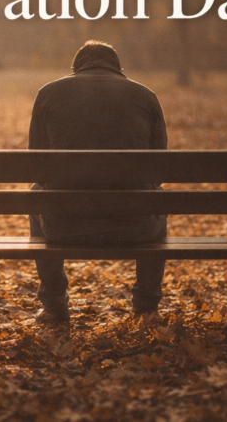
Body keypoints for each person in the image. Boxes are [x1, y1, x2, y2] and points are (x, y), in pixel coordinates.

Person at [27, 40, 168, 323]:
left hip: (64, 226)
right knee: (158, 194)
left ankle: (54, 302)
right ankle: (147, 304)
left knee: (36, 193)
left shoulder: (49, 93)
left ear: (75, 68)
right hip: (135, 227)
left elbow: (37, 169)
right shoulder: (145, 95)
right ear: (118, 69)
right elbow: (159, 169)